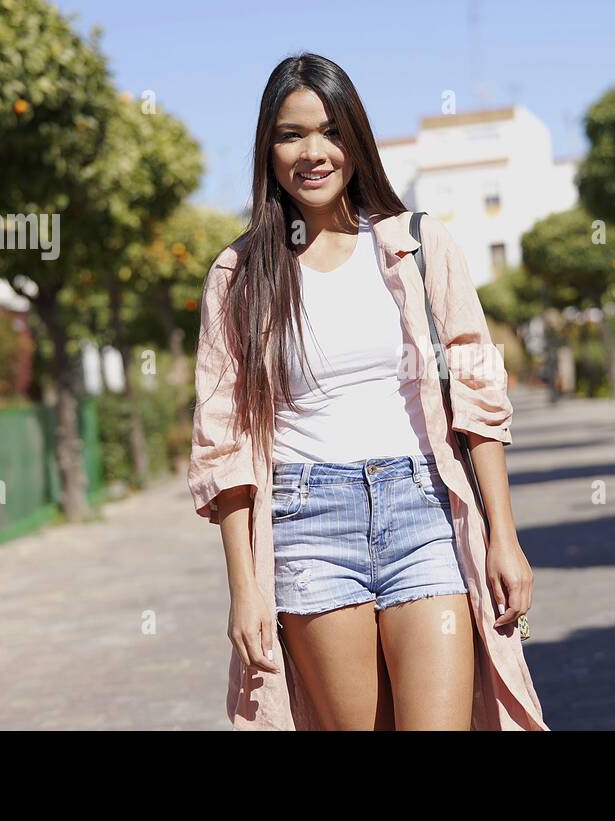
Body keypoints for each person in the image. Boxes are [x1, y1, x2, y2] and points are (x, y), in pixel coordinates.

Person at [188, 52, 547, 730]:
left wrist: (504, 533)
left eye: (330, 131)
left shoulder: (419, 244)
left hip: (423, 513)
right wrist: (246, 587)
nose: (313, 152)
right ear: (268, 148)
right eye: (291, 134)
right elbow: (224, 442)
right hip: (306, 521)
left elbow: (477, 396)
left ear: (355, 137)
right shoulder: (237, 275)